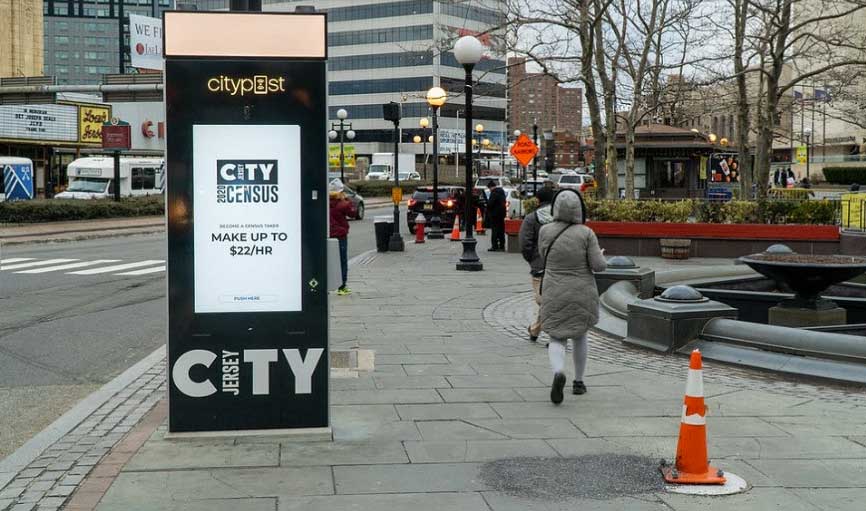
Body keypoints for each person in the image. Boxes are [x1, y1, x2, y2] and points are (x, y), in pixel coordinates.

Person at [539, 189, 607, 405]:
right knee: (580, 335)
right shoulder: (586, 233)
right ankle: (578, 382)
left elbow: (543, 256)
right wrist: (602, 256)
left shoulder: (546, 231)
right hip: (582, 290)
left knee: (556, 336)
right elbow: (599, 266)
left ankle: (559, 371)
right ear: (579, 208)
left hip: (554, 289)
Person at [518, 186, 555, 342]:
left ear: (538, 200)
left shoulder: (531, 218)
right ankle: (536, 329)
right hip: (559, 265)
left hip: (539, 267)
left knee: (544, 301)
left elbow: (524, 243)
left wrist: (533, 259)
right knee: (550, 300)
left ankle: (554, 334)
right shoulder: (561, 217)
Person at [329, 180, 356, 296]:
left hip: (328, 234)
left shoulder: (325, 202)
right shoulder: (342, 204)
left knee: (327, 260)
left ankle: (327, 285)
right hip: (340, 235)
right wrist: (347, 200)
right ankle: (342, 286)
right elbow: (353, 213)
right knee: (342, 261)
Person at [485, 180, 507, 251]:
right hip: (502, 214)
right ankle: (502, 245)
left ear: (491, 187)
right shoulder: (501, 192)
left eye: (489, 188)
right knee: (501, 230)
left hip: (494, 215)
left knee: (494, 230)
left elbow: (490, 204)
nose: (489, 190)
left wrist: (487, 205)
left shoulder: (494, 193)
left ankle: (494, 246)